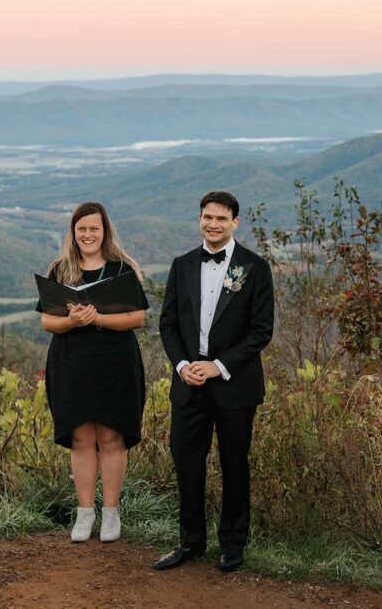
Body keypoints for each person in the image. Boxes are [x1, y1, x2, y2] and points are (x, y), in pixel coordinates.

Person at [154, 191, 274, 573]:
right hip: (189, 383)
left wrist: (218, 365)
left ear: (235, 222)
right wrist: (183, 364)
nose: (213, 224)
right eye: (207, 217)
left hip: (234, 384)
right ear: (199, 218)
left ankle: (233, 545)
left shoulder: (255, 267)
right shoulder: (182, 264)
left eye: (221, 218)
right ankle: (190, 542)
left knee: (234, 464)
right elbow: (168, 324)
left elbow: (261, 331)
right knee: (187, 463)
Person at [36, 201, 149, 543]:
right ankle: (85, 513)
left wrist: (97, 318)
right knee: (81, 439)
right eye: (81, 228)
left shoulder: (121, 269)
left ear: (105, 231)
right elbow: (46, 321)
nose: (87, 234)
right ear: (73, 232)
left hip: (115, 364)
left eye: (94, 229)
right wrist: (71, 321)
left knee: (111, 438)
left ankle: (111, 513)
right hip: (71, 364)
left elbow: (137, 318)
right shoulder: (60, 270)